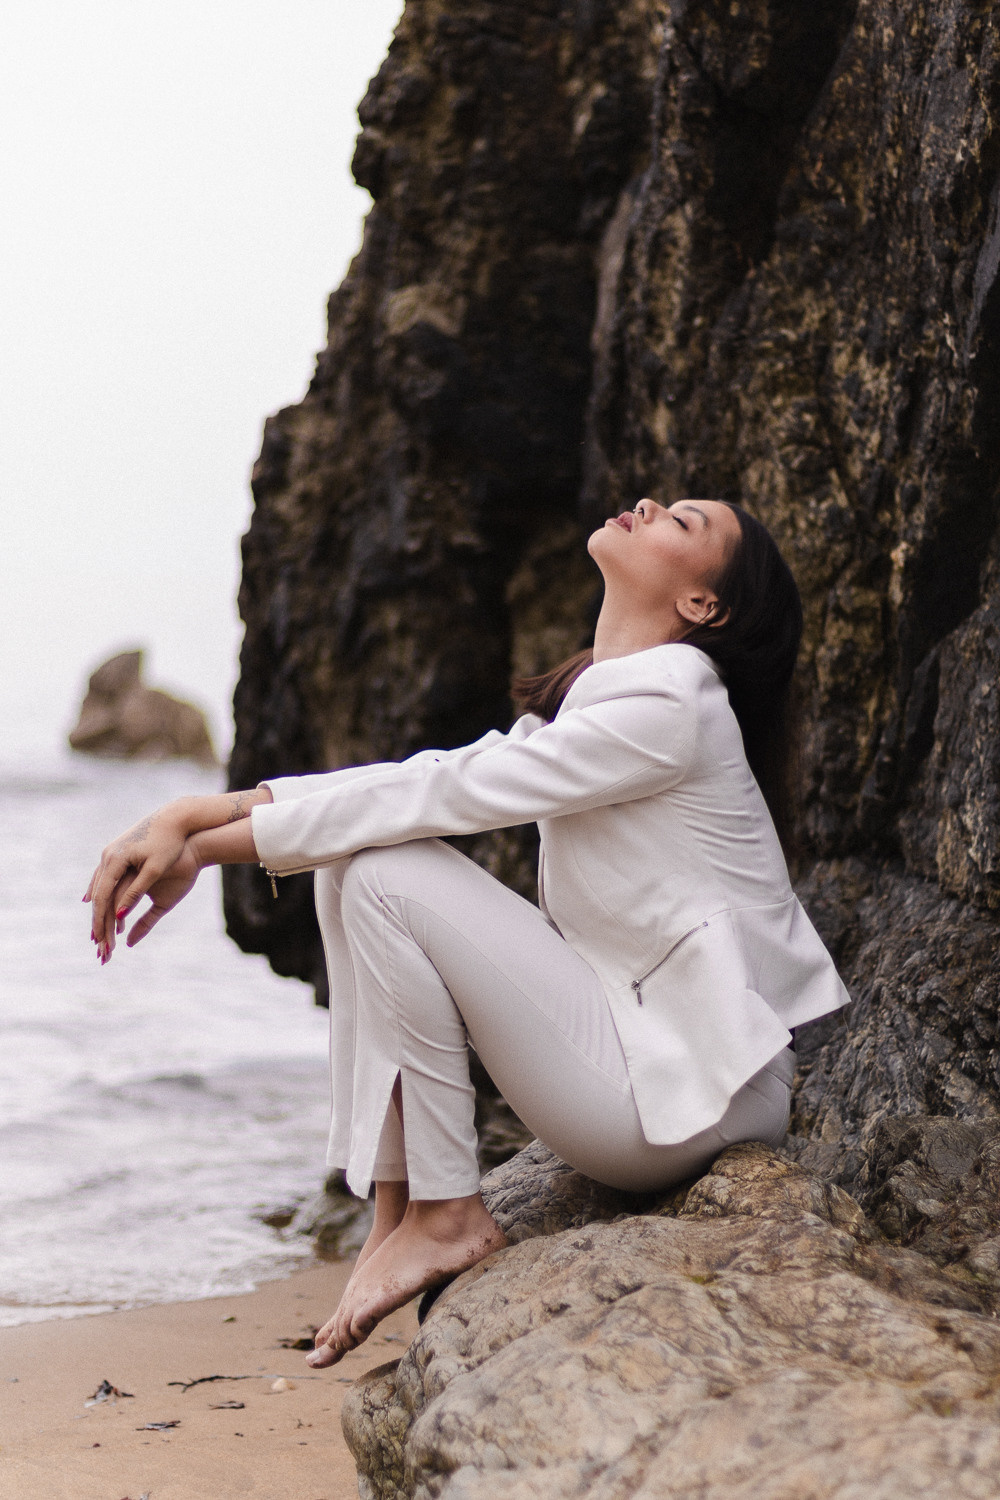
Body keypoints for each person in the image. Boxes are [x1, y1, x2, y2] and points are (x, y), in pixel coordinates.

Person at [85, 498, 850, 1369]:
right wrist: (199, 833)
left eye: (683, 520)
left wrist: (197, 822)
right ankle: (399, 1210)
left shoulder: (674, 704)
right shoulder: (613, 697)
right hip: (650, 1067)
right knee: (354, 861)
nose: (647, 505)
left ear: (704, 606)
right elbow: (438, 774)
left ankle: (448, 1214)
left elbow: (437, 800)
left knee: (377, 869)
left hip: (695, 1102)